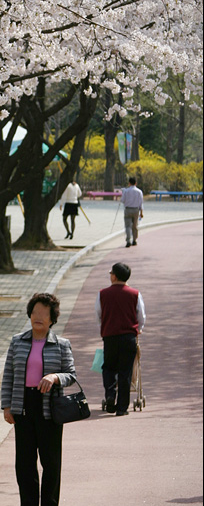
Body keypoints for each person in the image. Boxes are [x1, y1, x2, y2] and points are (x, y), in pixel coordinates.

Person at [1, 293, 77, 506]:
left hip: (49, 407)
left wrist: (55, 377)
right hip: (22, 404)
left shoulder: (61, 344)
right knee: (24, 460)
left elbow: (71, 376)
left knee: (50, 459)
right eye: (35, 312)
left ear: (52, 318)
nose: (38, 317)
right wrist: (6, 406)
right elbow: (8, 376)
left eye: (44, 313)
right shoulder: (17, 341)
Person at [95, 263, 146, 416]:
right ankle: (122, 408)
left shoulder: (102, 293)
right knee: (125, 370)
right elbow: (141, 316)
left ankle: (110, 396)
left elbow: (98, 314)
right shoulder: (135, 294)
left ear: (114, 276)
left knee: (109, 367)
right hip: (128, 337)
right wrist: (139, 329)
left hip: (109, 336)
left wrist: (105, 327)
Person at [121, 177, 144, 247]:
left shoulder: (126, 191)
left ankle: (128, 240)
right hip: (136, 210)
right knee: (135, 225)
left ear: (129, 183)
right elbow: (141, 203)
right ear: (136, 183)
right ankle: (134, 240)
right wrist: (141, 213)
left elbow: (122, 200)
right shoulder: (139, 192)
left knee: (128, 226)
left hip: (128, 209)